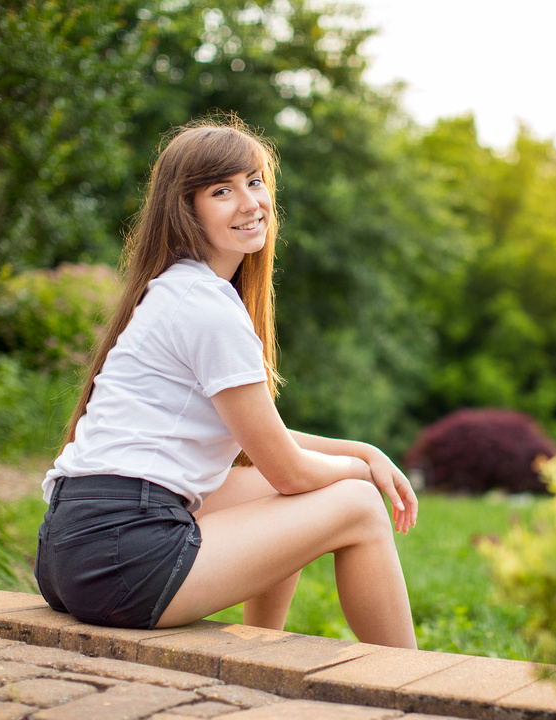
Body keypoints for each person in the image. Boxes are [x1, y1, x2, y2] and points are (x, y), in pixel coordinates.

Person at [34, 118, 418, 649]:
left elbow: (263, 436)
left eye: (254, 181)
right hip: (120, 559)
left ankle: (260, 651)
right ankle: (409, 687)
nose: (249, 202)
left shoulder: (175, 290)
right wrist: (360, 473)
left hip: (71, 547)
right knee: (354, 503)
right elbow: (287, 469)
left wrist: (364, 451)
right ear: (185, 209)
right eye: (221, 190)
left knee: (295, 495)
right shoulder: (207, 306)